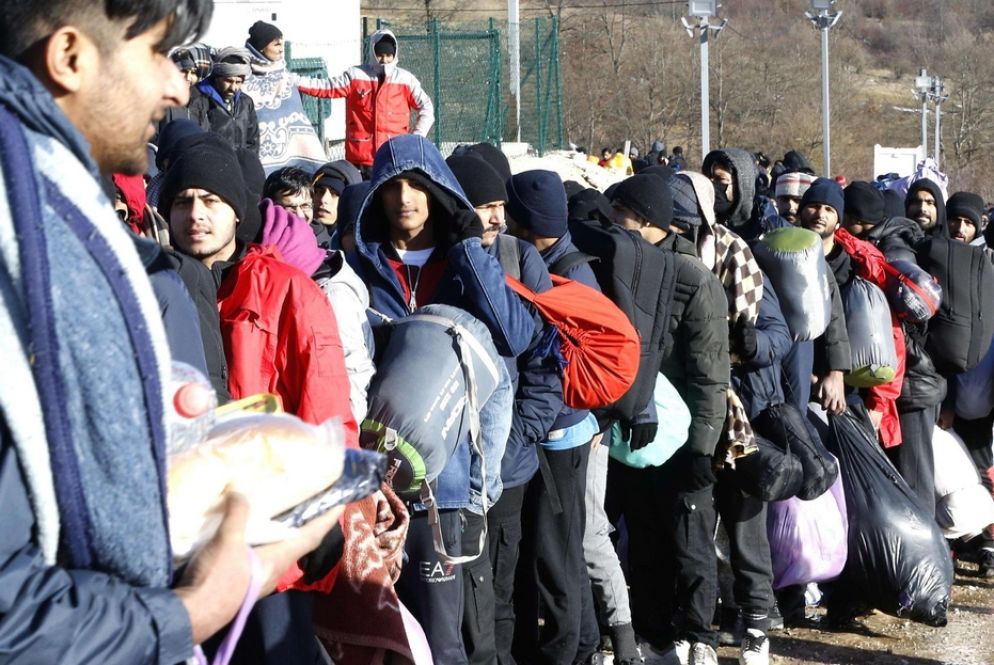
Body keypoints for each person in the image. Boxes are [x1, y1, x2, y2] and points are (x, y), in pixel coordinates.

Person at [0, 0, 344, 661]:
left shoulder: (52, 208)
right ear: (71, 57)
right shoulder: (26, 232)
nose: (179, 85)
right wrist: (193, 609)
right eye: (157, 52)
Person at [349, 134, 532, 665]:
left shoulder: (469, 261)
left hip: (447, 485)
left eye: (417, 185)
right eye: (392, 187)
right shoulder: (361, 266)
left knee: (443, 635)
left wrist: (469, 251)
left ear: (439, 191)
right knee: (383, 632)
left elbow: (514, 337)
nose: (404, 197)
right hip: (375, 480)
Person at [609, 174, 730, 665]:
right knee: (646, 541)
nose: (615, 224)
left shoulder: (693, 277)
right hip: (638, 433)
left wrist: (702, 447)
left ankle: (700, 636)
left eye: (624, 217)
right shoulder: (621, 265)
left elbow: (710, 371)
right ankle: (655, 635)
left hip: (684, 438)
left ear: (651, 222)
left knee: (691, 541)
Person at [294, 29, 434, 172]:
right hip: (360, 161)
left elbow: (427, 108)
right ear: (373, 53)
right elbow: (326, 87)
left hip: (394, 157)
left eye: (388, 55)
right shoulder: (355, 76)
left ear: (395, 55)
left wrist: (415, 139)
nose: (384, 60)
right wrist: (295, 81)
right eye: (380, 55)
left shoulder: (406, 80)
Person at [240, 21, 329, 173]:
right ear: (261, 47)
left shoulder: (286, 78)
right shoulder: (242, 79)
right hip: (256, 160)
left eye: (282, 44)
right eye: (276, 45)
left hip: (293, 164)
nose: (281, 49)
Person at [188, 46, 260, 153]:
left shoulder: (246, 103)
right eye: (228, 81)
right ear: (217, 78)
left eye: (238, 82)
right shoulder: (199, 100)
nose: (233, 88)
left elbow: (252, 142)